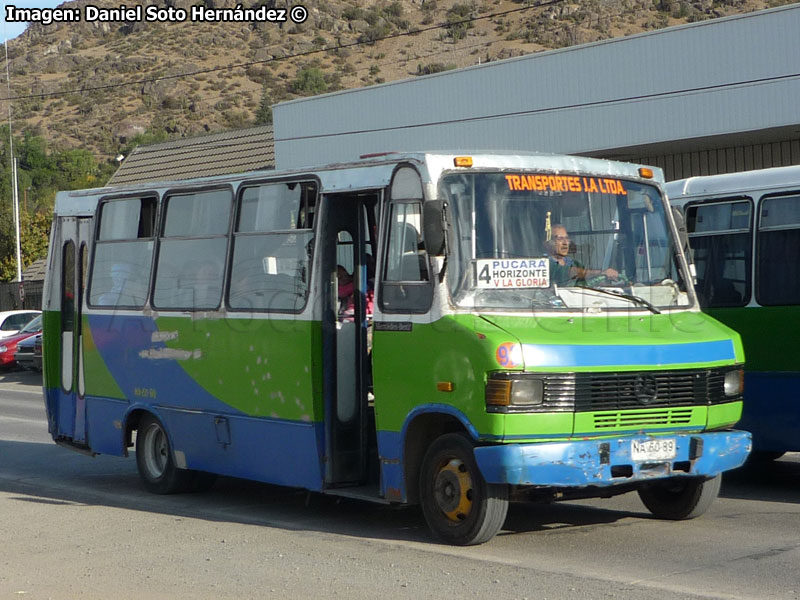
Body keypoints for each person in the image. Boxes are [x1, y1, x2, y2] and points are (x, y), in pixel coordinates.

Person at [546, 224, 619, 286]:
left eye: (567, 238)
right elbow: (571, 272)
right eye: (560, 239)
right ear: (548, 243)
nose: (565, 243)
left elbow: (585, 282)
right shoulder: (546, 264)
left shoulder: (575, 263)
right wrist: (601, 273)